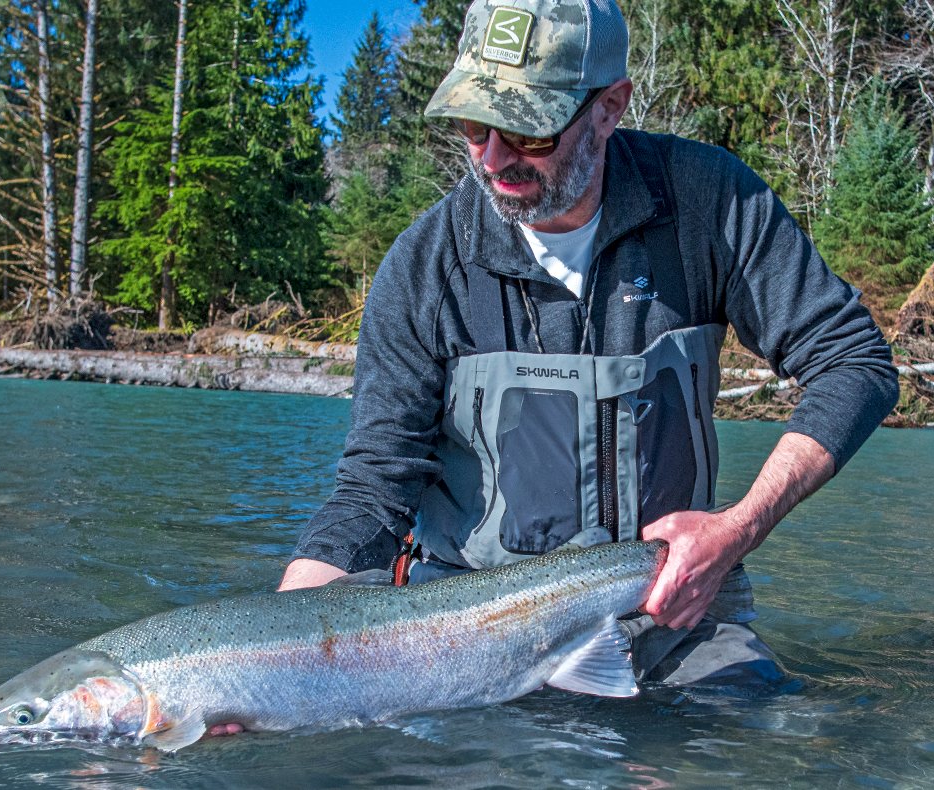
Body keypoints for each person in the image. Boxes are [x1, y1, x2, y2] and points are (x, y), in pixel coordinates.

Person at [278, 0, 899, 685]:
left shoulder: (709, 206)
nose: (492, 158)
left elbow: (854, 361)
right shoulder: (423, 267)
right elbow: (371, 492)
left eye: (529, 132)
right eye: (473, 125)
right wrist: (271, 655)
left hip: (672, 617)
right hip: (468, 640)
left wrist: (738, 529)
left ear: (610, 106)